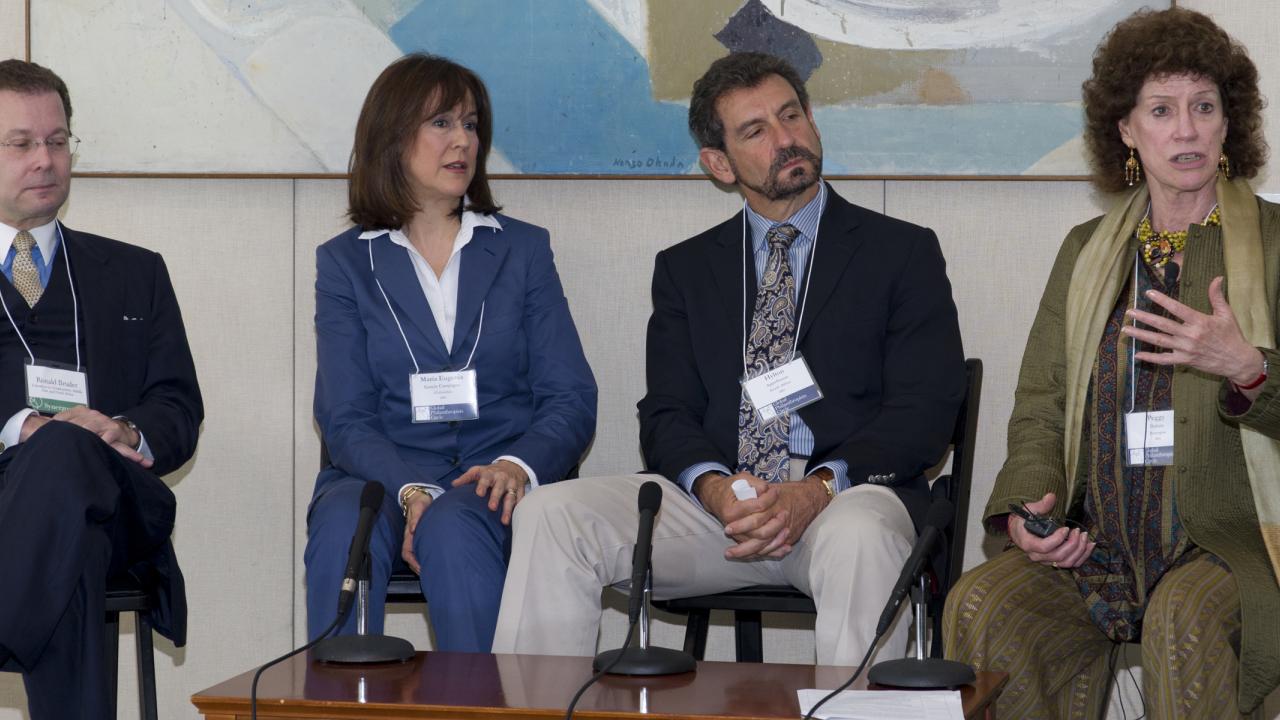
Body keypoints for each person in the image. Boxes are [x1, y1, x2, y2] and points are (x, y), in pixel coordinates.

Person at [492, 52, 965, 665]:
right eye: (756, 130)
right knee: (551, 514)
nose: (786, 138)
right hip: (720, 511)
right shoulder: (687, 269)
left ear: (812, 119)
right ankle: (536, 710)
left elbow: (924, 413)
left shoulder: (900, 252)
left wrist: (815, 490)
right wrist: (716, 490)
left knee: (862, 536)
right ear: (718, 164)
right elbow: (666, 414)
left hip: (841, 500)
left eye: (791, 116)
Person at [944, 8, 1279, 718]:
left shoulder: (1275, 246)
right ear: (1127, 129)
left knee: (1183, 619)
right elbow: (1041, 405)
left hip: (1232, 546)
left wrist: (1249, 368)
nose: (1185, 129)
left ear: (1229, 123)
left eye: (1203, 107)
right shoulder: (1087, 251)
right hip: (1094, 550)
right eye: (1161, 109)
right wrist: (1029, 508)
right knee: (984, 602)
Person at [304, 53, 597, 653]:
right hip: (381, 474)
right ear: (391, 136)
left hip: (494, 477)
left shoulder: (523, 250)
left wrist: (517, 466)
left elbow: (570, 396)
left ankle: (479, 705)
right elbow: (345, 417)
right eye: (441, 123)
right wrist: (413, 488)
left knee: (455, 523)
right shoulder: (345, 263)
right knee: (341, 523)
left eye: (469, 123)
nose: (462, 140)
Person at [0, 60, 202, 718]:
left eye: (57, 141)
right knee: (70, 546)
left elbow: (177, 407)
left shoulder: (134, 273)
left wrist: (125, 432)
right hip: (51, 527)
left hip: (120, 506)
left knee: (70, 457)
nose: (45, 160)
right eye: (22, 143)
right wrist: (24, 429)